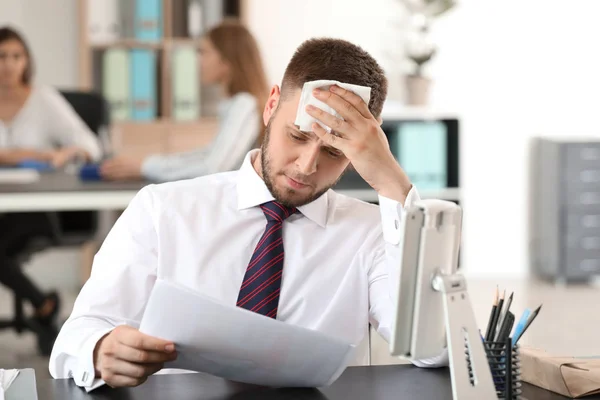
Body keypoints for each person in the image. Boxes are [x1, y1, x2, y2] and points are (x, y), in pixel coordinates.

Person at [49, 37, 447, 390]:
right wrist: (99, 350)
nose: (307, 166)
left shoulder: (374, 233)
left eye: (334, 151)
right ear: (271, 104)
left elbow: (431, 348)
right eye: (297, 136)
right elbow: (75, 339)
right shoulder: (162, 209)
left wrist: (395, 188)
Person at [0, 26, 102, 326]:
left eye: (16, 56)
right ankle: (44, 304)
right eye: (1, 56)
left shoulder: (43, 100)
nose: (8, 64)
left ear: (27, 61)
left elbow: (90, 146)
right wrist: (30, 154)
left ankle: (43, 304)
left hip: (35, 209)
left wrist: (62, 154)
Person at [100, 19, 268, 182]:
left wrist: (145, 167)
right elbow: (207, 154)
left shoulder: (244, 105)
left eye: (204, 52)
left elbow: (212, 167)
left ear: (226, 61)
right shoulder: (235, 105)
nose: (198, 60)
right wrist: (146, 165)